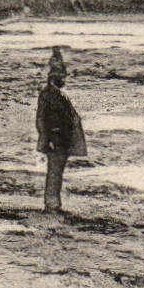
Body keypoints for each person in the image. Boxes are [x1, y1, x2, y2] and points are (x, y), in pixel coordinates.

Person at [35, 68, 87, 213]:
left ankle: (54, 204)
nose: (64, 80)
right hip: (55, 140)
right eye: (62, 78)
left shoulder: (58, 94)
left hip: (62, 139)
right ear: (53, 78)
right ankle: (51, 205)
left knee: (57, 172)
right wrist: (49, 139)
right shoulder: (47, 95)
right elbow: (42, 119)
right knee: (54, 172)